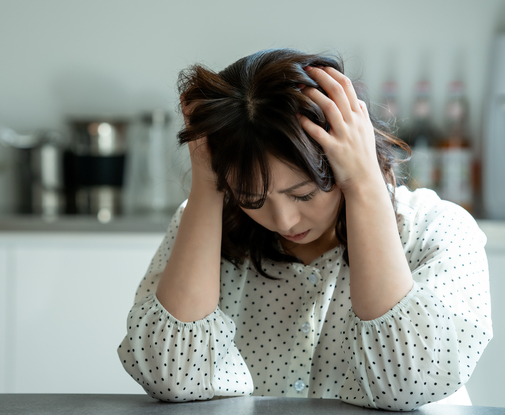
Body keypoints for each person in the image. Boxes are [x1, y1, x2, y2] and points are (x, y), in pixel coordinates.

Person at [117, 48, 492, 410]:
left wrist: (363, 184)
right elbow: (171, 378)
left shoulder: (436, 229)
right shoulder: (203, 223)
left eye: (304, 194)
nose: (283, 221)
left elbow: (407, 385)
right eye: (251, 198)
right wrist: (206, 184)